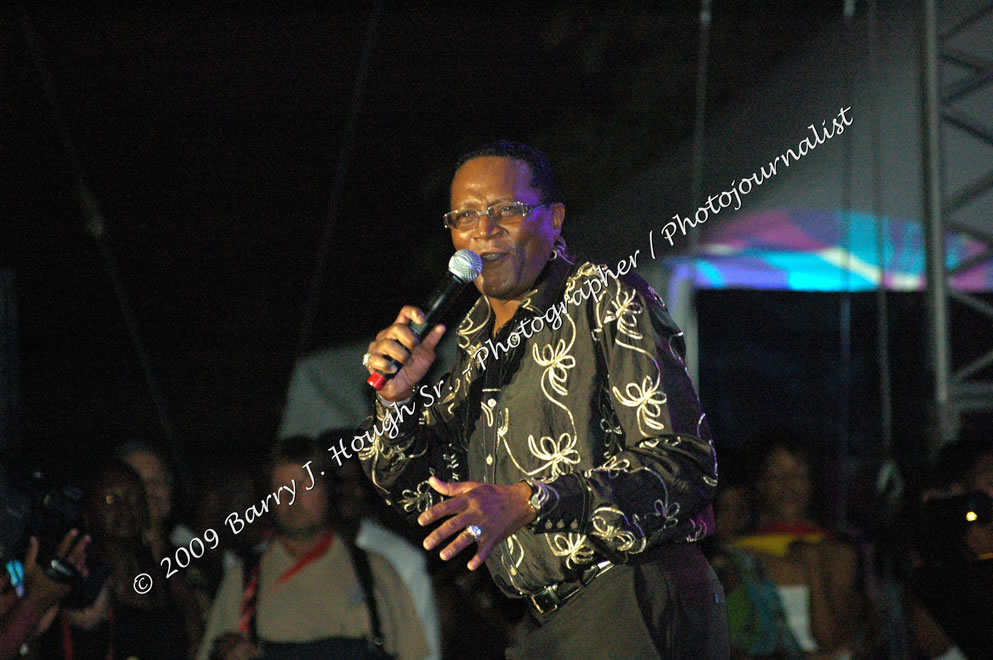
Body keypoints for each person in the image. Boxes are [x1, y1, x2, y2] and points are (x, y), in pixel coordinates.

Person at [359, 141, 728, 658]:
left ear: (554, 220)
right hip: (543, 618)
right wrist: (397, 402)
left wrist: (531, 502)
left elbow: (683, 465)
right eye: (465, 215)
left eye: (505, 209)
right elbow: (422, 496)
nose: (483, 230)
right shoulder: (469, 347)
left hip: (629, 592)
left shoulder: (602, 298)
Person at [198, 435, 428, 660]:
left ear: (327, 490)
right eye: (281, 488)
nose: (292, 499)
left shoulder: (375, 572)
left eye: (304, 485)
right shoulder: (244, 581)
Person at [735, 438, 866, 658]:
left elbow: (831, 638)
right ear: (760, 484)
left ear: (813, 482)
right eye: (776, 475)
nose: (788, 485)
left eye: (799, 475)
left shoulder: (839, 553)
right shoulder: (739, 556)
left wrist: (813, 566)